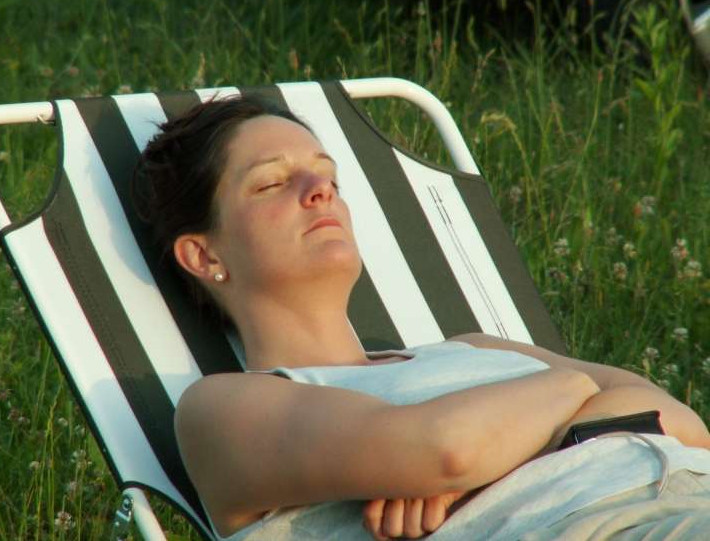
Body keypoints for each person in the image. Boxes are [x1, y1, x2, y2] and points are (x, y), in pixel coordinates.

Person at [132, 95, 710, 540]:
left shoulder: (475, 346)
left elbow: (687, 425)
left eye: (328, 176)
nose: (319, 190)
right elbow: (443, 448)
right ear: (204, 256)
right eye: (273, 183)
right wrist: (580, 390)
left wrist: (483, 465)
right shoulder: (222, 410)